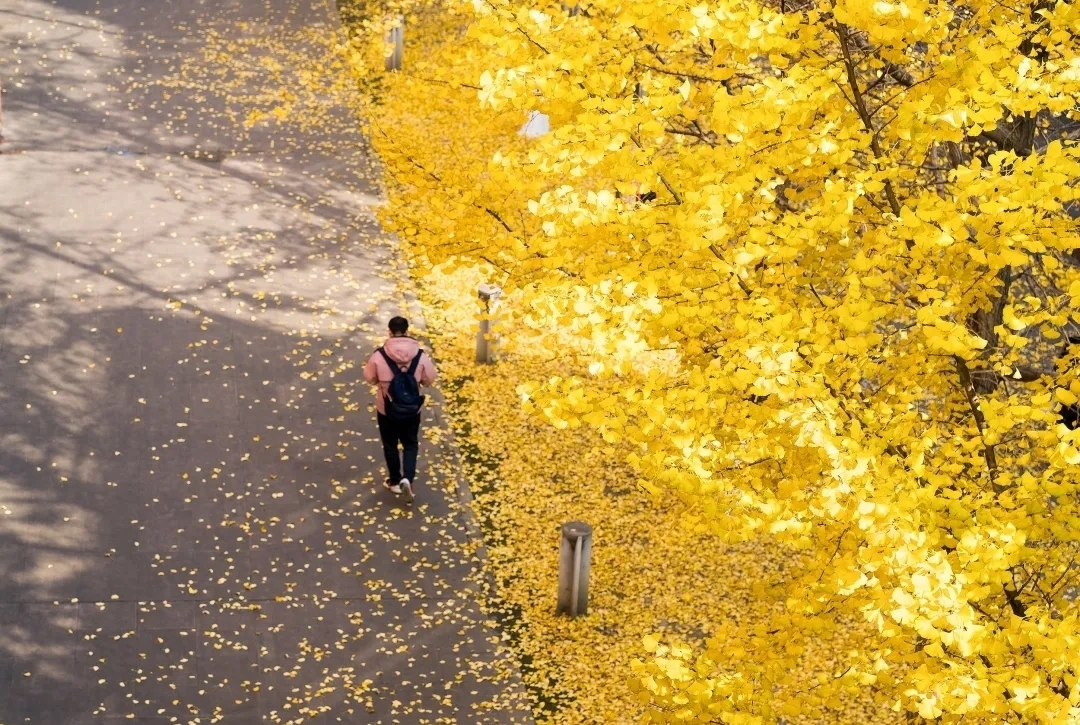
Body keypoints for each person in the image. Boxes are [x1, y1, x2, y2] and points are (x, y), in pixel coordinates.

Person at [363, 316, 437, 504]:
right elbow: (429, 379)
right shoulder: (419, 356)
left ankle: (394, 480)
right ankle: (408, 479)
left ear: (389, 332)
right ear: (407, 331)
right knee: (411, 443)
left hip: (386, 409)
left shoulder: (379, 356)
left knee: (390, 444)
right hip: (412, 410)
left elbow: (370, 378)